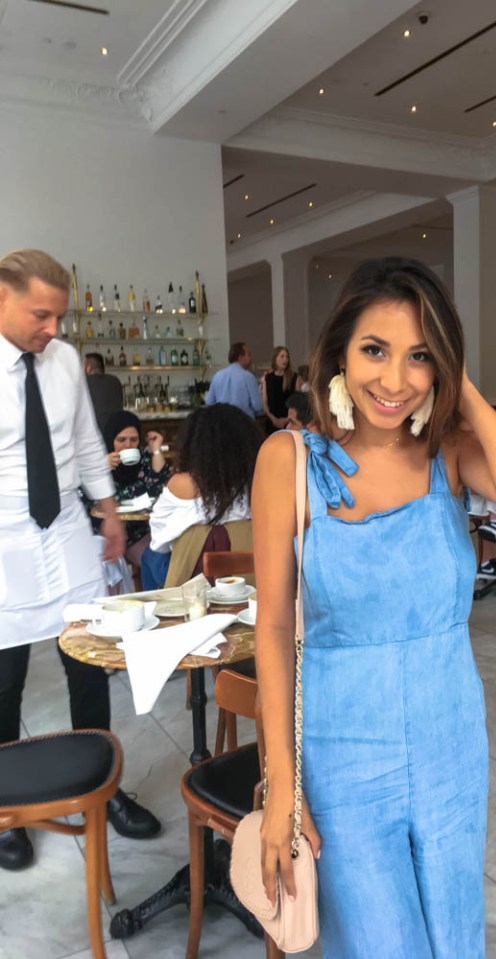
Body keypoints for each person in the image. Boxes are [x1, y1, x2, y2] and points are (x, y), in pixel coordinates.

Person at [252, 257, 496, 957]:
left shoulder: (446, 454)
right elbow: (271, 627)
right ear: (339, 352)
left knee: (456, 937)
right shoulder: (290, 462)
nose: (395, 380)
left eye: (420, 356)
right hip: (343, 751)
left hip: (453, 742)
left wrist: (459, 385)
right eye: (375, 350)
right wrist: (282, 784)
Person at [0, 249, 160, 872]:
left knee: (89, 664)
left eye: (59, 317)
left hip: (66, 523)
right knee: (4, 680)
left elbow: (89, 446)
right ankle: (7, 809)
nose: (54, 329)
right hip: (4, 534)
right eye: (41, 315)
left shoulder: (64, 361)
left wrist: (111, 514)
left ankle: (105, 787)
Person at [141, 403, 263, 589]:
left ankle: (155, 604)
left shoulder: (182, 484)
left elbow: (159, 538)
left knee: (149, 555)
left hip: (190, 578)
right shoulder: (257, 482)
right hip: (249, 574)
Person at [100, 410, 170, 569]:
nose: (128, 445)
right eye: (121, 440)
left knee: (159, 562)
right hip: (107, 533)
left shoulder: (144, 460)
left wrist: (156, 451)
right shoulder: (97, 462)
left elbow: (159, 490)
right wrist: (100, 469)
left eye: (134, 439)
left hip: (139, 531)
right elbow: (88, 502)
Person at [205, 341, 263, 418]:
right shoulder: (248, 377)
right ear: (240, 357)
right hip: (244, 421)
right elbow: (258, 406)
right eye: (248, 355)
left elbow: (209, 402)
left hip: (222, 421)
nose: (250, 358)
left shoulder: (217, 376)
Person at [261, 345, 298, 434]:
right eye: (282, 356)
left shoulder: (293, 377)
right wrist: (273, 419)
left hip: (289, 422)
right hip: (272, 421)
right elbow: (265, 402)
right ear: (275, 358)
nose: (285, 360)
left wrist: (287, 419)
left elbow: (297, 402)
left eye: (287, 357)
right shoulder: (268, 378)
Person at [84, 351, 123, 432]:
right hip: (115, 431)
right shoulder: (115, 381)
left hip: (94, 433)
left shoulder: (84, 383)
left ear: (89, 368)